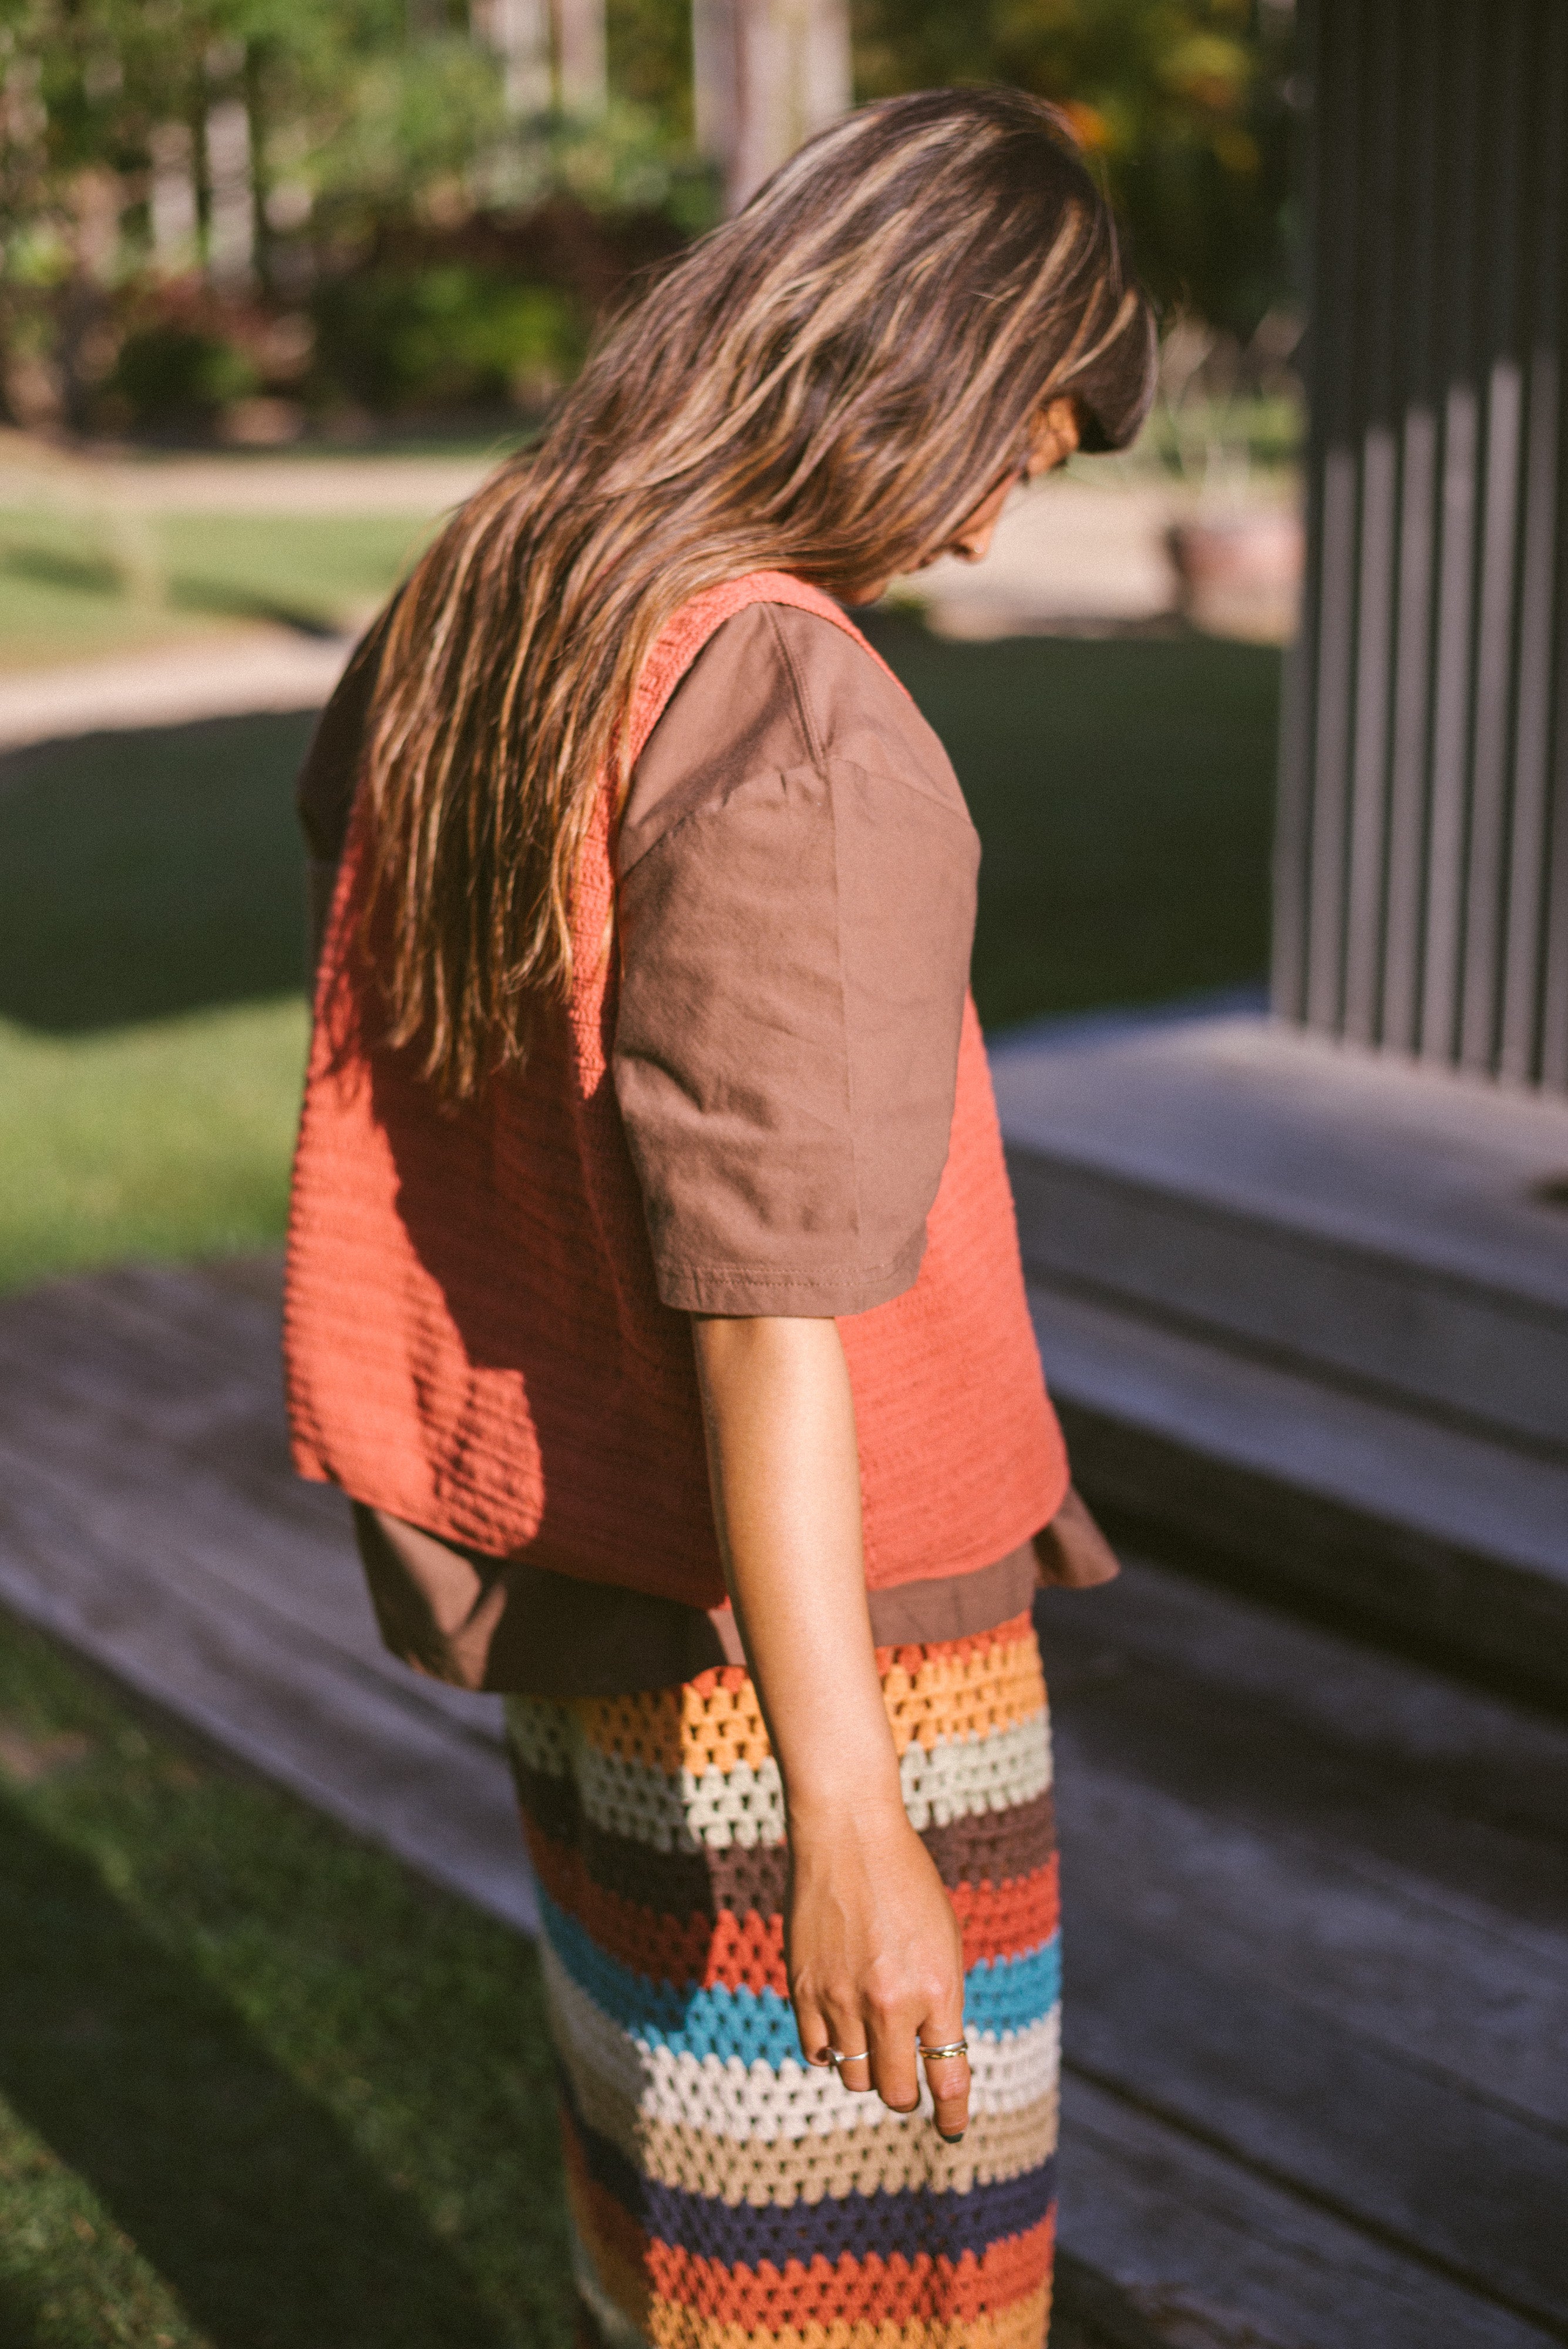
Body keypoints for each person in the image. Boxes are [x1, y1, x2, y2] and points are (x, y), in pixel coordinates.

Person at [285, 85, 1153, 2349]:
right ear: (931, 366)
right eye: (1016, 453)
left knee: (671, 2240)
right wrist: (849, 1814)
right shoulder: (789, 705)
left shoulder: (493, 595)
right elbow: (774, 1309)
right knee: (885, 2284)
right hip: (834, 1650)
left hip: (609, 1592)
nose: (981, 531)